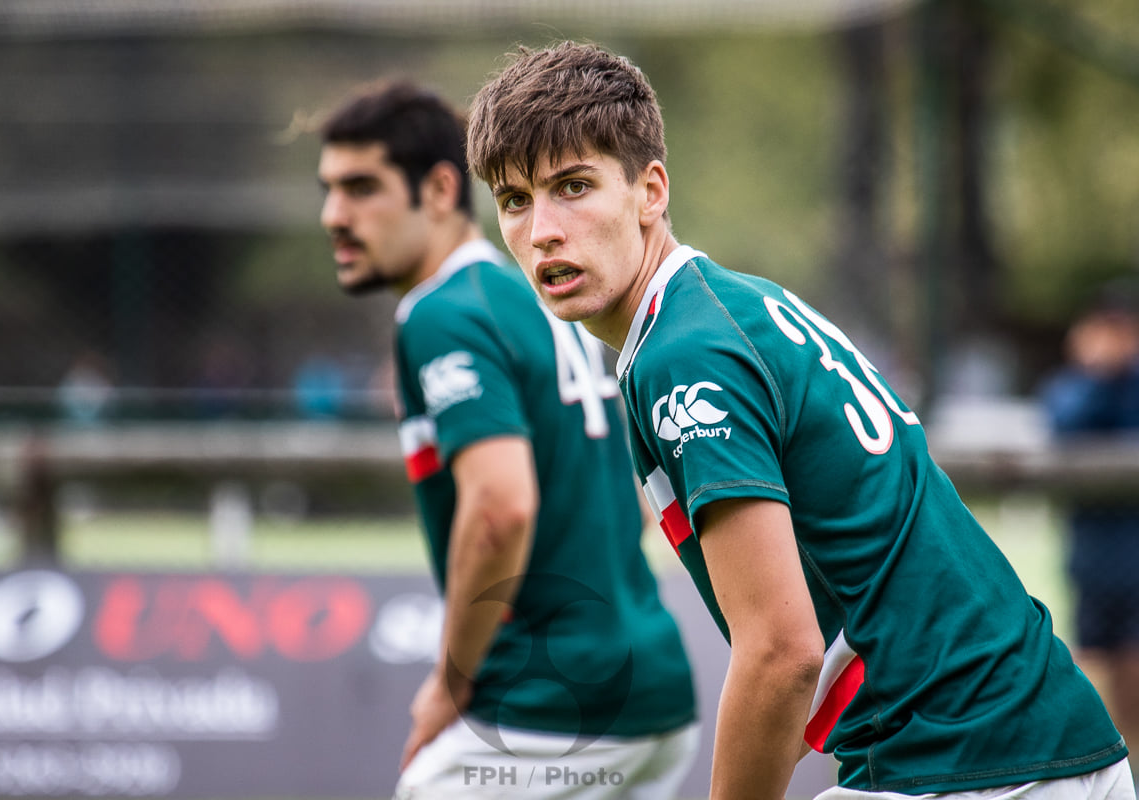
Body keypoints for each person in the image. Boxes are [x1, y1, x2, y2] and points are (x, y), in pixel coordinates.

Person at [466, 40, 1134, 799]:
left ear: (649, 192)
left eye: (574, 186)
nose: (542, 230)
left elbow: (782, 655)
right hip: (1048, 741)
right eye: (514, 200)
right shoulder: (730, 306)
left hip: (967, 759)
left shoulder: (684, 356)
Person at [317, 80, 699, 800]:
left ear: (439, 190)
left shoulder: (442, 313)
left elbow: (500, 508)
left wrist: (449, 682)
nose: (335, 215)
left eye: (362, 188)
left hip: (547, 708)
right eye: (329, 190)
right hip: (653, 693)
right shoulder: (534, 297)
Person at [1041, 280, 1139, 783]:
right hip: (1094, 563)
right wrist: (1098, 373)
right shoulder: (1076, 385)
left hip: (1133, 561)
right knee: (1093, 676)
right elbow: (1062, 423)